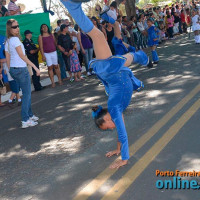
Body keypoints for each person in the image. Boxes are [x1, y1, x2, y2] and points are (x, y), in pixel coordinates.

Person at [60, 0, 149, 169]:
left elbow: (122, 133)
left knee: (99, 37)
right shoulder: (117, 110)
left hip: (110, 70)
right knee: (101, 34)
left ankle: (137, 56)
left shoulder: (114, 108)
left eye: (107, 126)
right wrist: (117, 150)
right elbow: (120, 134)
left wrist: (124, 159)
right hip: (113, 72)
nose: (110, 128)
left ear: (107, 119)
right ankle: (73, 7)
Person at [5, 19, 40, 128]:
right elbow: (22, 55)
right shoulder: (15, 40)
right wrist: (34, 67)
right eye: (14, 27)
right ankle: (25, 120)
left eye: (18, 26)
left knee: (26, 94)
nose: (17, 28)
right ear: (9, 29)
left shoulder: (8, 41)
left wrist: (11, 70)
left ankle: (29, 115)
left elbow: (8, 57)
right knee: (27, 95)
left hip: (15, 70)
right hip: (20, 69)